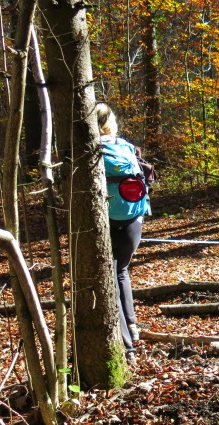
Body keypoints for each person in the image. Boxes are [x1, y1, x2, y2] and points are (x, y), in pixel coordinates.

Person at [95, 102, 151, 364]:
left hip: (106, 219)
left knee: (109, 275)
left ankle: (128, 348)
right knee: (121, 271)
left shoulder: (90, 150)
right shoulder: (126, 147)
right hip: (133, 218)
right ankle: (133, 326)